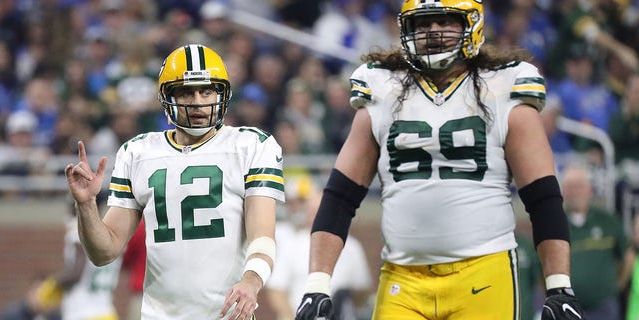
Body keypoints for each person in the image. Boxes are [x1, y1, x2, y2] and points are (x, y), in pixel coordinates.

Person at [295, 1, 585, 319]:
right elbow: (340, 196)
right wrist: (317, 284)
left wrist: (559, 287)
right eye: (423, 24)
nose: (433, 31)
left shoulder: (503, 87)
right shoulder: (383, 90)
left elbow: (543, 197)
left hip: (483, 272)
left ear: (470, 26)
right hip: (402, 277)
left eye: (445, 21)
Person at [64, 44, 284, 320]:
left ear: (221, 93)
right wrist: (85, 205)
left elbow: (263, 235)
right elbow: (104, 252)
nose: (198, 101)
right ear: (167, 96)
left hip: (228, 315)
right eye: (186, 91)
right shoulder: (138, 153)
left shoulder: (251, 145)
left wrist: (251, 282)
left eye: (206, 90)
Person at [266, 175, 372, 320]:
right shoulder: (292, 242)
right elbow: (276, 289)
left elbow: (361, 290)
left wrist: (345, 302)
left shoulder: (351, 246)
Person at [561, 164, 629, 320]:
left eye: (580, 186)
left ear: (590, 190)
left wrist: (615, 287)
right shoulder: (555, 224)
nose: (575, 192)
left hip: (604, 307)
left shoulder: (609, 221)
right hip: (567, 309)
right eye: (570, 186)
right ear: (563, 191)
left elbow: (627, 257)